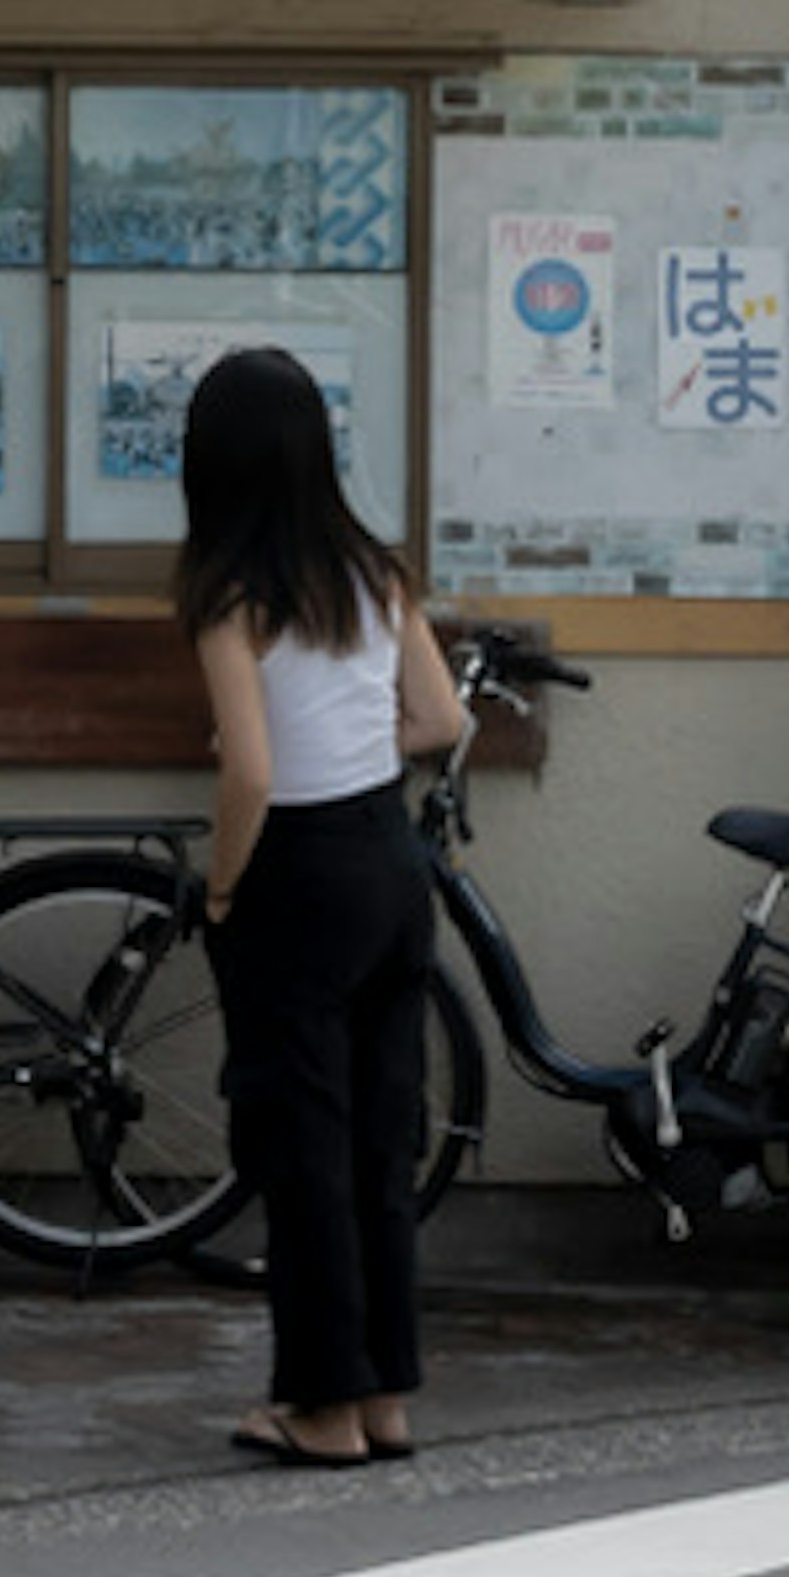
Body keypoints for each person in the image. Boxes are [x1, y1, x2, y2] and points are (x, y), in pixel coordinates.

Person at [175, 342, 465, 1469]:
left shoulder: (229, 596)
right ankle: (385, 1395)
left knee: (302, 1148)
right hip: (389, 863)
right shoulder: (375, 573)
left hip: (295, 875)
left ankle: (320, 1408)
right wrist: (354, 751)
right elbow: (440, 721)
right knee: (381, 1141)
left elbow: (245, 774)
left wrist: (223, 886)